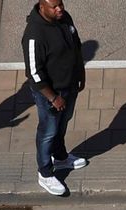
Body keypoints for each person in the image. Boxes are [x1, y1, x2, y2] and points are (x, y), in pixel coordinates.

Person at [22, 0, 87, 197]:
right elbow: (33, 73)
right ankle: (45, 172)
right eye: (54, 7)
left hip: (69, 86)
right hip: (50, 93)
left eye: (61, 4)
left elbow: (76, 47)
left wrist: (81, 74)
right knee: (48, 131)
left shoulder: (64, 18)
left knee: (63, 123)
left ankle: (60, 157)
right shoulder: (34, 34)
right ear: (42, 7)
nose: (60, 9)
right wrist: (52, 98)